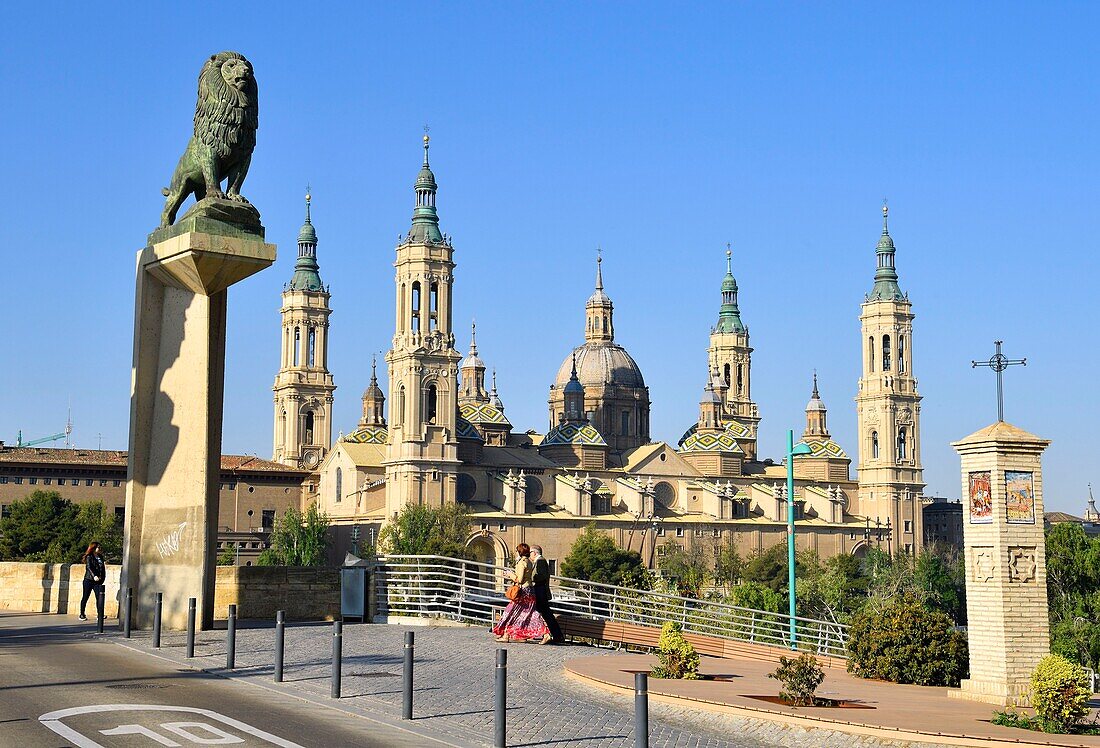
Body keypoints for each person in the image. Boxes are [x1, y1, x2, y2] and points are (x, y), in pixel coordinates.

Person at [491, 543, 551, 644]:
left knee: (511, 611)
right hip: (530, 590)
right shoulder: (529, 562)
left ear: (519, 552)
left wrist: (510, 574)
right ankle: (511, 634)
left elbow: (519, 579)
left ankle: (545, 634)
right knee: (527, 613)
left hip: (523, 592)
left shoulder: (521, 563)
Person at [530, 545, 564, 644]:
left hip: (540, 591)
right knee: (545, 614)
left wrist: (530, 577)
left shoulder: (540, 561)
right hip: (541, 591)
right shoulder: (540, 561)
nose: (529, 555)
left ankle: (554, 635)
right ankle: (555, 635)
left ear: (535, 552)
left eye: (530, 552)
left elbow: (541, 576)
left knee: (544, 614)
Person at [79, 541, 106, 622]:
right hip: (89, 580)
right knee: (85, 597)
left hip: (98, 581)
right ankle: (82, 614)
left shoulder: (100, 557)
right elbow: (89, 567)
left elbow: (102, 568)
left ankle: (100, 614)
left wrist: (102, 577)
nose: (100, 549)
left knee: (99, 597)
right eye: (98, 547)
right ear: (94, 548)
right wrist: (94, 576)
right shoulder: (89, 557)